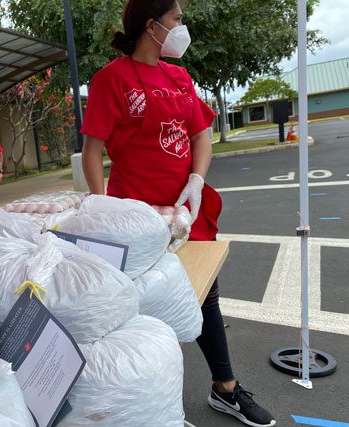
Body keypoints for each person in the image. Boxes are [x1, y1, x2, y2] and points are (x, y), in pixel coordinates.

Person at [81, 1, 276, 426]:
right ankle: (149, 407)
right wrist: (100, 208)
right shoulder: (111, 79)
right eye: (177, 20)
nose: (182, 27)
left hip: (187, 212)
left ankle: (225, 389)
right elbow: (92, 150)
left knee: (205, 296)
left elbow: (200, 133)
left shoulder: (179, 76)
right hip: (137, 219)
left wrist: (196, 180)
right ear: (153, 27)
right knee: (142, 308)